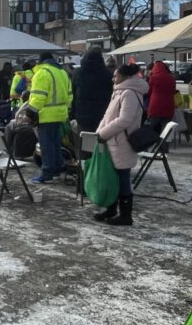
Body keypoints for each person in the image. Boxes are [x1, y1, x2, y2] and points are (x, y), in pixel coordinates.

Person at [94, 63, 148, 226]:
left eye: (116, 75)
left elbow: (125, 119)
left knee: (122, 177)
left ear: (125, 76)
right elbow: (107, 115)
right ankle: (112, 209)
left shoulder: (129, 93)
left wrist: (104, 133)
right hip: (113, 139)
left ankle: (126, 215)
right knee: (112, 177)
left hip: (122, 142)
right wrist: (99, 132)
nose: (113, 77)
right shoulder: (119, 91)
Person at [26, 52, 73, 184]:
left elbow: (38, 96)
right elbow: (69, 95)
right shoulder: (62, 72)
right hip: (60, 114)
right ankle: (58, 166)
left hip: (46, 115)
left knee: (46, 145)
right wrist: (65, 109)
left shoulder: (42, 73)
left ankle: (47, 172)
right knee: (55, 143)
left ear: (40, 62)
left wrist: (31, 112)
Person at [71, 47, 113, 133]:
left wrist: (72, 115)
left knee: (84, 141)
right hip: (102, 115)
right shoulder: (108, 74)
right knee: (100, 141)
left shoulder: (77, 73)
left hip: (82, 116)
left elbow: (73, 96)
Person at [146, 61, 176, 135]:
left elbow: (148, 92)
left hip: (155, 106)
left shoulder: (153, 78)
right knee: (166, 131)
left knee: (151, 128)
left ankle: (152, 144)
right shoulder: (171, 77)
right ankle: (164, 145)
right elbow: (173, 91)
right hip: (168, 106)